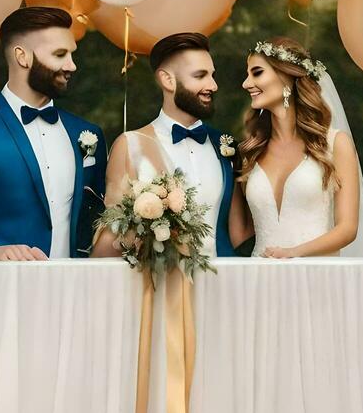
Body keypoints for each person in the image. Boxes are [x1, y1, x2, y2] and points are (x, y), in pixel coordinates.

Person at [0, 6, 107, 283]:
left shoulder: (86, 133)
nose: (72, 65)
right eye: (60, 55)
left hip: (72, 294)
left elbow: (98, 217)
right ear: (22, 56)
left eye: (72, 54)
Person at [94, 32, 251, 258]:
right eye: (200, 76)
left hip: (223, 282)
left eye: (212, 75)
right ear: (168, 80)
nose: (213, 85)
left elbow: (239, 235)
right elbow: (114, 232)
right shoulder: (130, 145)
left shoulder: (225, 147)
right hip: (159, 284)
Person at [239, 36, 363, 258]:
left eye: (256, 72)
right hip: (260, 278)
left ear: (287, 76)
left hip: (316, 274)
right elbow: (242, 229)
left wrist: (293, 253)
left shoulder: (336, 143)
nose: (246, 83)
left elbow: (347, 229)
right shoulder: (251, 150)